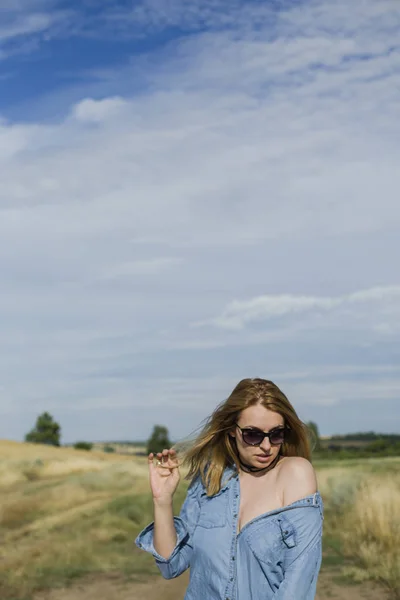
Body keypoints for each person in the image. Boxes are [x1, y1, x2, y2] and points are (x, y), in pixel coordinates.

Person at [135, 378, 324, 599]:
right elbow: (171, 565)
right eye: (253, 434)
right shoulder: (210, 478)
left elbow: (297, 584)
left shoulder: (295, 474)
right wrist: (162, 500)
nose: (266, 446)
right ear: (232, 430)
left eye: (276, 434)